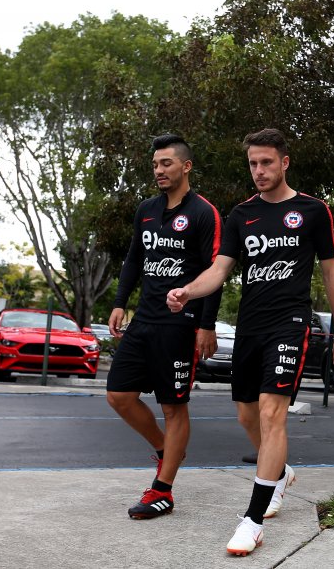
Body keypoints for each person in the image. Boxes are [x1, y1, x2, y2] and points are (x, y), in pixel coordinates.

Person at [166, 127, 334, 557]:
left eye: (267, 162)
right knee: (247, 416)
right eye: (253, 163)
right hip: (250, 325)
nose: (259, 170)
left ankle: (252, 520)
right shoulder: (241, 215)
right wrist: (188, 290)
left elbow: (331, 276)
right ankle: (281, 474)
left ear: (285, 162)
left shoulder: (312, 211)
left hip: (289, 323)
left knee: (272, 414)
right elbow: (220, 269)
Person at [106, 133, 222, 520]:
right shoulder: (146, 210)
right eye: (155, 164)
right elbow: (133, 260)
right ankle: (166, 450)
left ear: (185, 166)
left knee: (174, 407)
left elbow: (215, 273)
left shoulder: (204, 213)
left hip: (180, 326)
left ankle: (163, 490)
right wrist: (121, 302)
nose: (159, 170)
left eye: (166, 163)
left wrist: (206, 326)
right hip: (144, 321)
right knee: (119, 395)